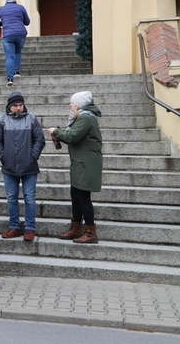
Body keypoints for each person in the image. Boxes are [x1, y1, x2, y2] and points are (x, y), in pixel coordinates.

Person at [49, 91, 103, 244]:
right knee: (75, 194)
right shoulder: (82, 117)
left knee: (83, 197)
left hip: (86, 163)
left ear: (80, 104)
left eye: (73, 103)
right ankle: (76, 228)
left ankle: (91, 232)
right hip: (80, 162)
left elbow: (72, 136)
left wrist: (56, 131)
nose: (70, 105)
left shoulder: (86, 118)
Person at [0, 91, 45, 241]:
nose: (18, 108)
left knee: (29, 198)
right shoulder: (1, 121)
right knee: (11, 198)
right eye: (15, 105)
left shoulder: (32, 120)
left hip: (29, 167)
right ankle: (14, 226)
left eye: (20, 105)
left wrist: (32, 156)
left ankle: (30, 228)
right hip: (9, 167)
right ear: (10, 106)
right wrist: (4, 157)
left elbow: (39, 140)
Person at [0, 0, 30, 87]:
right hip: (21, 34)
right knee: (18, 52)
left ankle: (10, 78)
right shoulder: (21, 8)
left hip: (8, 35)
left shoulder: (1, 9)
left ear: (6, 0)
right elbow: (27, 22)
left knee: (9, 56)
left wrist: (3, 23)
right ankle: (17, 72)